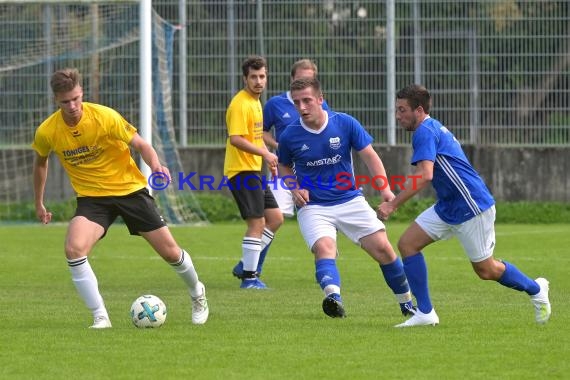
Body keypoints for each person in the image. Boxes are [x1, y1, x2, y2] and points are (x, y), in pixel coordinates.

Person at [32, 68, 209, 328]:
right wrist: (39, 202)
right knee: (74, 249)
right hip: (92, 199)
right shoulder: (48, 131)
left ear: (82, 93)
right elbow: (40, 164)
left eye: (76, 98)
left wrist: (157, 165)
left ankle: (197, 293)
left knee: (171, 253)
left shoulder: (104, 117)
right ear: (56, 101)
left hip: (129, 191)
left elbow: (142, 145)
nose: (72, 106)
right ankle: (100, 316)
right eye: (65, 101)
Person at [378, 84, 551, 327]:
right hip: (449, 206)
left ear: (418, 110)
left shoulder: (425, 131)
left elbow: (425, 174)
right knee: (408, 244)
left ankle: (536, 289)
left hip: (472, 206)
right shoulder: (430, 127)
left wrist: (393, 204)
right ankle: (425, 313)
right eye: (396, 110)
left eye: (402, 110)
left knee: (486, 270)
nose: (398, 116)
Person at [277, 77, 414, 318]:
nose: (302, 107)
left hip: (349, 200)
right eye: (297, 103)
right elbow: (284, 166)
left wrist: (384, 189)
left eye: (307, 101)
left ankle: (407, 304)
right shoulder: (290, 135)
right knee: (324, 247)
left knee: (384, 249)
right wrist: (294, 188)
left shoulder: (345, 123)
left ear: (321, 99)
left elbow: (370, 156)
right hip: (314, 206)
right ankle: (333, 298)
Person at [224, 56, 284, 289]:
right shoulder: (240, 104)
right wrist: (266, 154)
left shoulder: (256, 102)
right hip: (241, 171)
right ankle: (249, 279)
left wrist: (267, 155)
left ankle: (245, 264)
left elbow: (255, 137)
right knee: (257, 222)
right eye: (253, 77)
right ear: (245, 78)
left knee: (276, 218)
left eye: (262, 76)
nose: (258, 81)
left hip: (253, 169)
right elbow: (236, 139)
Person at [262, 59, 330, 218]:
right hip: (284, 166)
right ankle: (256, 244)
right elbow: (261, 132)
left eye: (309, 80)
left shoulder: (321, 104)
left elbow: (325, 131)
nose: (304, 83)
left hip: (313, 168)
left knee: (322, 215)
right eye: (300, 79)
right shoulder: (275, 103)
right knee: (274, 217)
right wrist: (277, 145)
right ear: (292, 79)